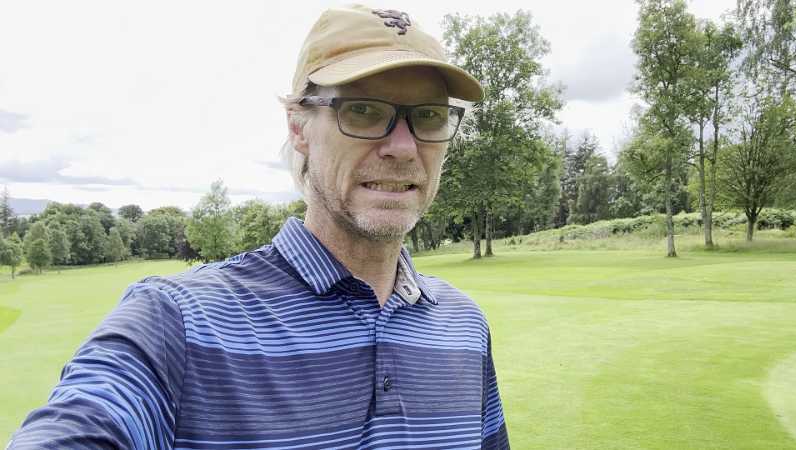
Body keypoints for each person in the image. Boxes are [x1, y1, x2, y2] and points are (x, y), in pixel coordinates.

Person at [9, 5, 509, 449]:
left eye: (428, 116)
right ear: (298, 126)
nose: (402, 147)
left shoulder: (465, 327)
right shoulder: (176, 321)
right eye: (362, 110)